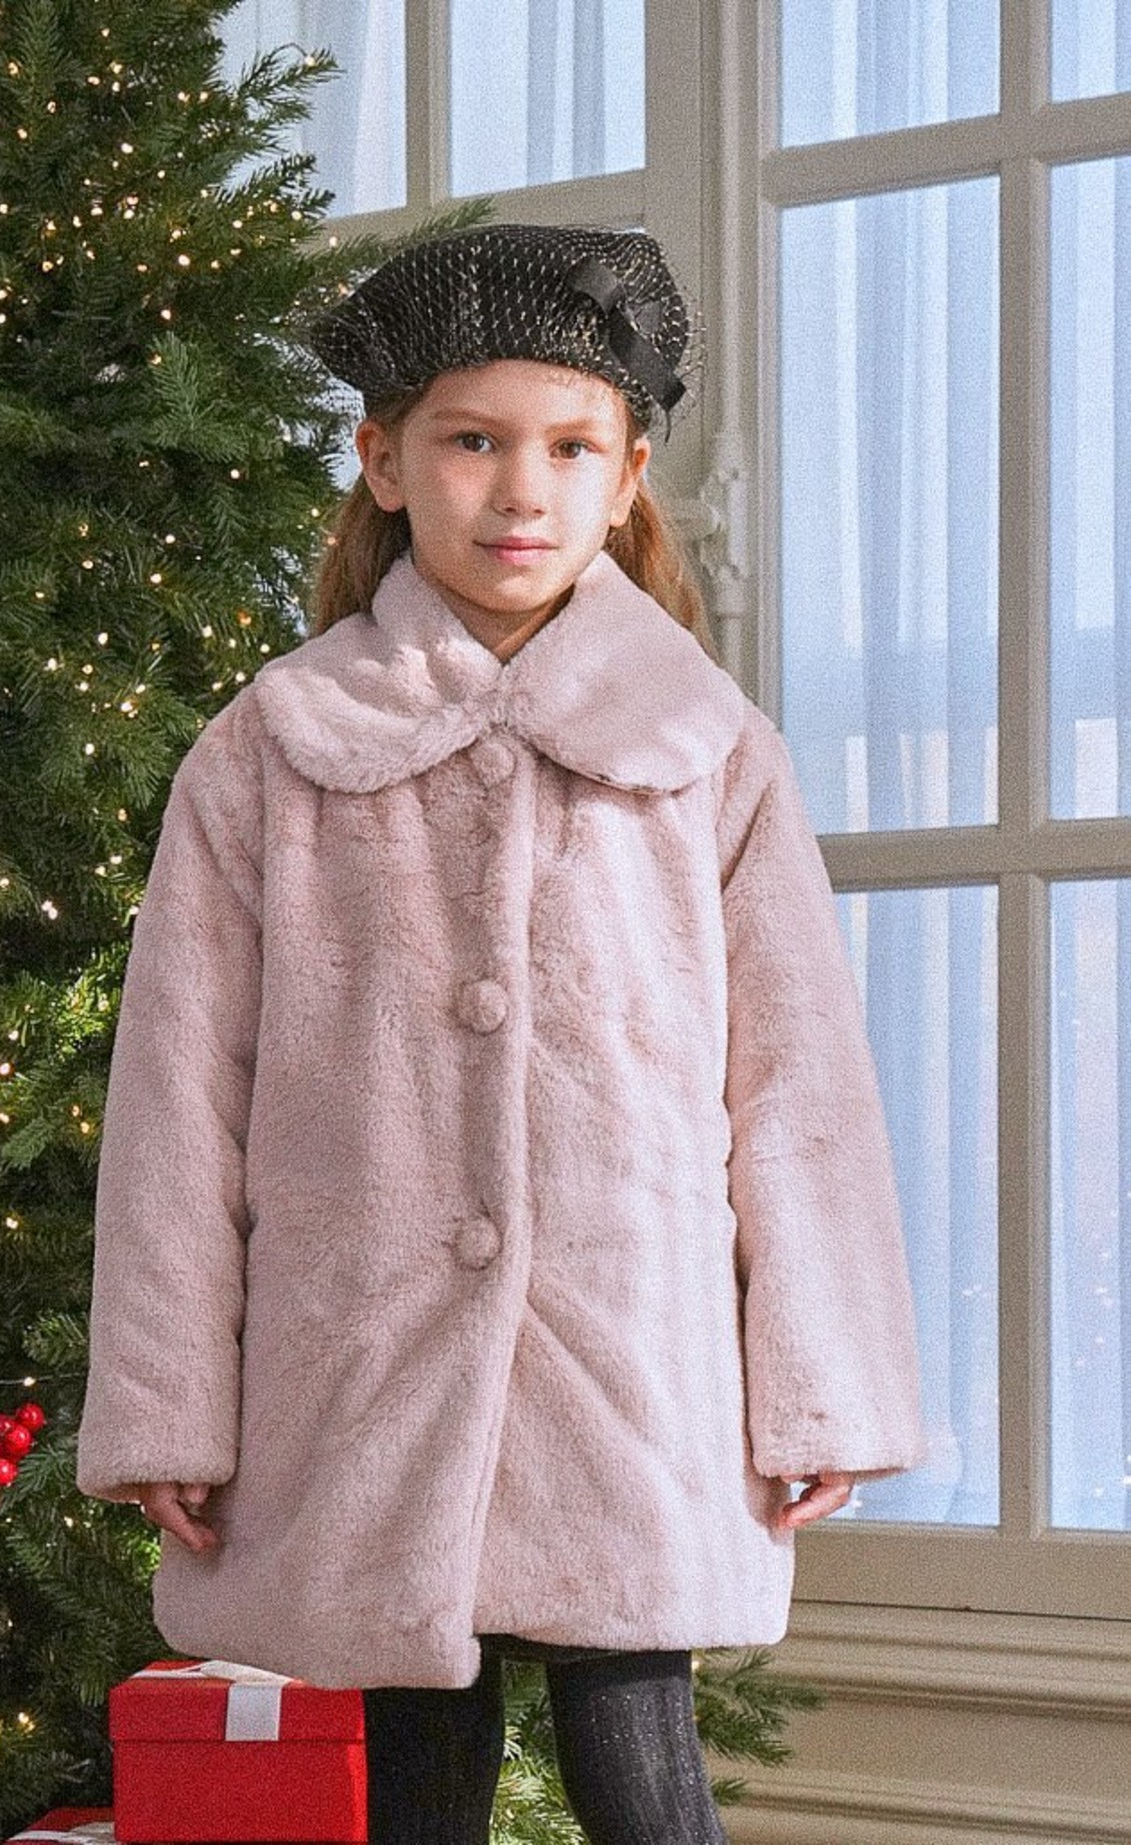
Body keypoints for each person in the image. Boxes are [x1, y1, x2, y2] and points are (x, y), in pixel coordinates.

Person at [76, 223, 926, 1845]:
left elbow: (801, 1090)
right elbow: (181, 1100)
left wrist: (824, 1386)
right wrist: (168, 1399)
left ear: (628, 477)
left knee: (641, 1762)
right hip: (363, 1359)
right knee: (415, 1765)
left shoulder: (705, 750)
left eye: (569, 448)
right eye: (472, 442)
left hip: (635, 1359)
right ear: (383, 459)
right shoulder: (272, 752)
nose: (520, 491)